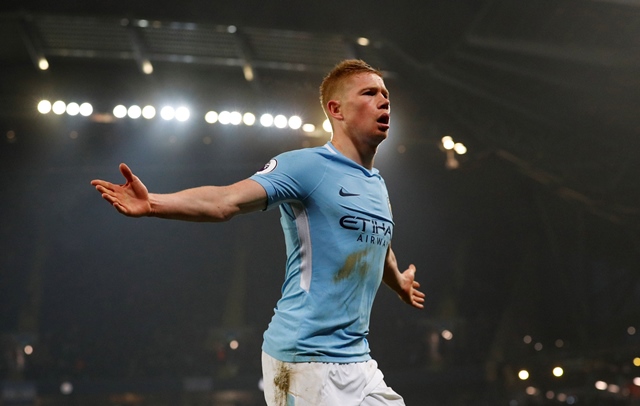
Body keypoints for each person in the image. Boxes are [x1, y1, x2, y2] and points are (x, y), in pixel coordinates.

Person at [91, 59, 425, 405]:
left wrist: (397, 280)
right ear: (335, 109)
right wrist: (153, 204)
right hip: (303, 361)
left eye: (385, 94)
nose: (384, 101)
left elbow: (376, 240)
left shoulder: (377, 184)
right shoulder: (307, 166)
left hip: (358, 359)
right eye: (369, 93)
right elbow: (225, 201)